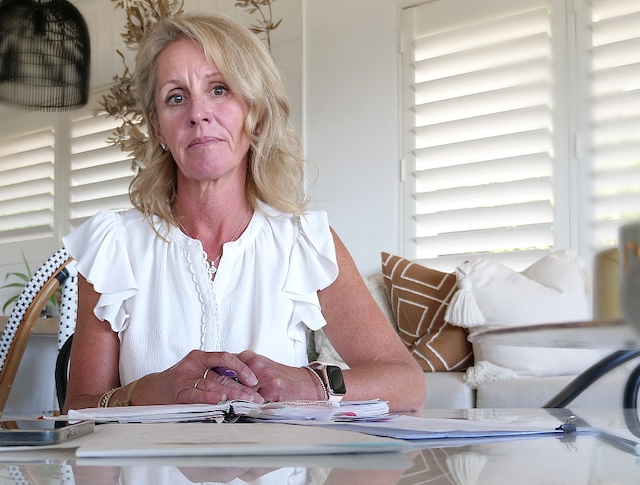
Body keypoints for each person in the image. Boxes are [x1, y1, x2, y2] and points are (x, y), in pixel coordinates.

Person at [62, 12, 425, 412]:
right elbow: (79, 409)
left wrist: (310, 384)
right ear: (159, 128)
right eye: (176, 97)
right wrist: (143, 393)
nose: (198, 113)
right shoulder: (114, 247)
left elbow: (406, 384)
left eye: (219, 89)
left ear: (255, 112)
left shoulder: (305, 241)